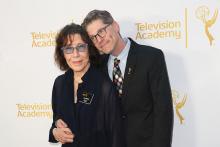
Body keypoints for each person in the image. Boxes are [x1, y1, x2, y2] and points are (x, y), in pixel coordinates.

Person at [81, 10, 174, 147]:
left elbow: (163, 112)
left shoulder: (151, 57)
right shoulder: (95, 67)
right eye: (93, 37)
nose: (99, 40)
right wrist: (57, 124)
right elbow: (83, 105)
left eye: (101, 31)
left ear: (115, 26)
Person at [48, 23, 124, 147]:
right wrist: (55, 132)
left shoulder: (103, 85)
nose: (75, 54)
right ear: (62, 53)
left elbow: (116, 135)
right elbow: (56, 122)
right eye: (68, 49)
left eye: (81, 47)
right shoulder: (59, 83)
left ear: (89, 49)